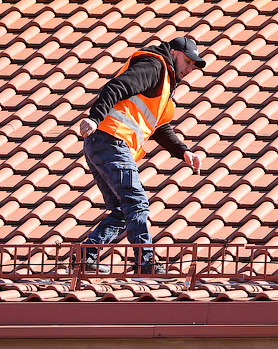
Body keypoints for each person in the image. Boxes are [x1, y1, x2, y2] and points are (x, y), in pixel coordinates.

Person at [73, 36, 206, 274]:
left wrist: (182, 151)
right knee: (136, 203)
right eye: (187, 61)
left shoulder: (164, 83)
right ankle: (146, 264)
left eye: (192, 65)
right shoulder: (154, 66)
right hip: (111, 139)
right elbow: (116, 87)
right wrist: (94, 117)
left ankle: (86, 257)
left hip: (102, 142)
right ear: (174, 54)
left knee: (122, 211)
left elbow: (159, 127)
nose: (189, 69)